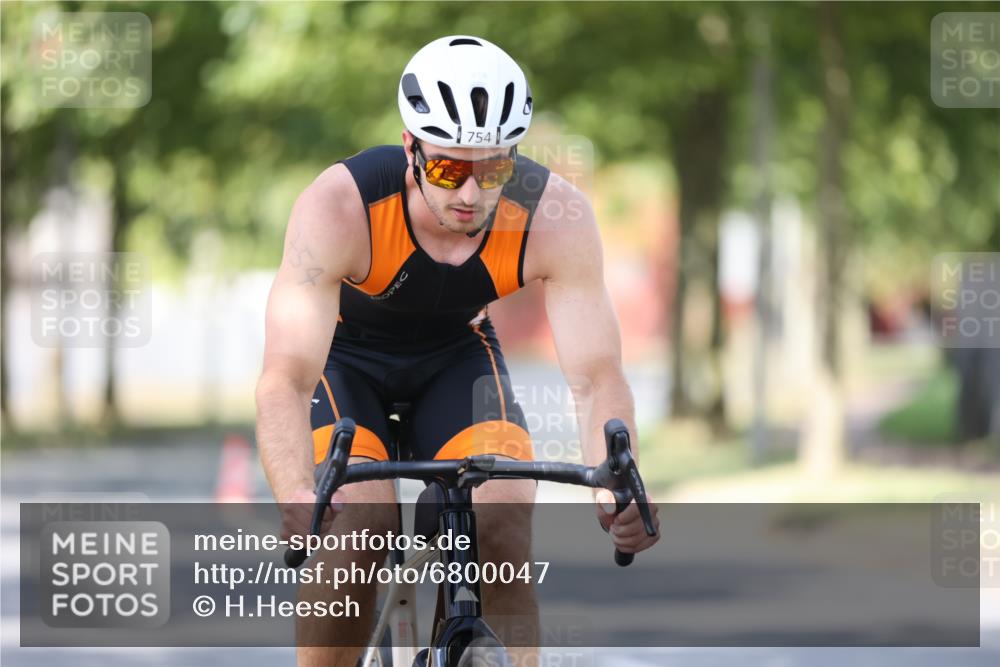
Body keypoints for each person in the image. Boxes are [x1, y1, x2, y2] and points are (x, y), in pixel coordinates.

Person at [255, 35, 660, 667]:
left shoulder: (554, 216)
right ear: (411, 150)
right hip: (344, 361)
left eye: (493, 170)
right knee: (358, 527)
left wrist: (619, 481)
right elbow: (284, 376)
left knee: (499, 512)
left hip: (455, 356)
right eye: (448, 169)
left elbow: (595, 376)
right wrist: (296, 492)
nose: (470, 194)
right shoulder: (340, 207)